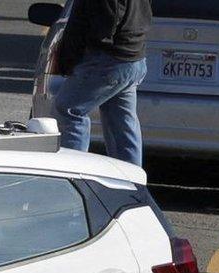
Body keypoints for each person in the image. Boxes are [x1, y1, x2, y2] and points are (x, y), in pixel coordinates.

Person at [54, 0, 152, 166]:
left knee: (69, 110)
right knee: (121, 122)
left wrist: (71, 56)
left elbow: (105, 21)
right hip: (131, 57)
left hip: (108, 60)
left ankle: (73, 174)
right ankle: (131, 182)